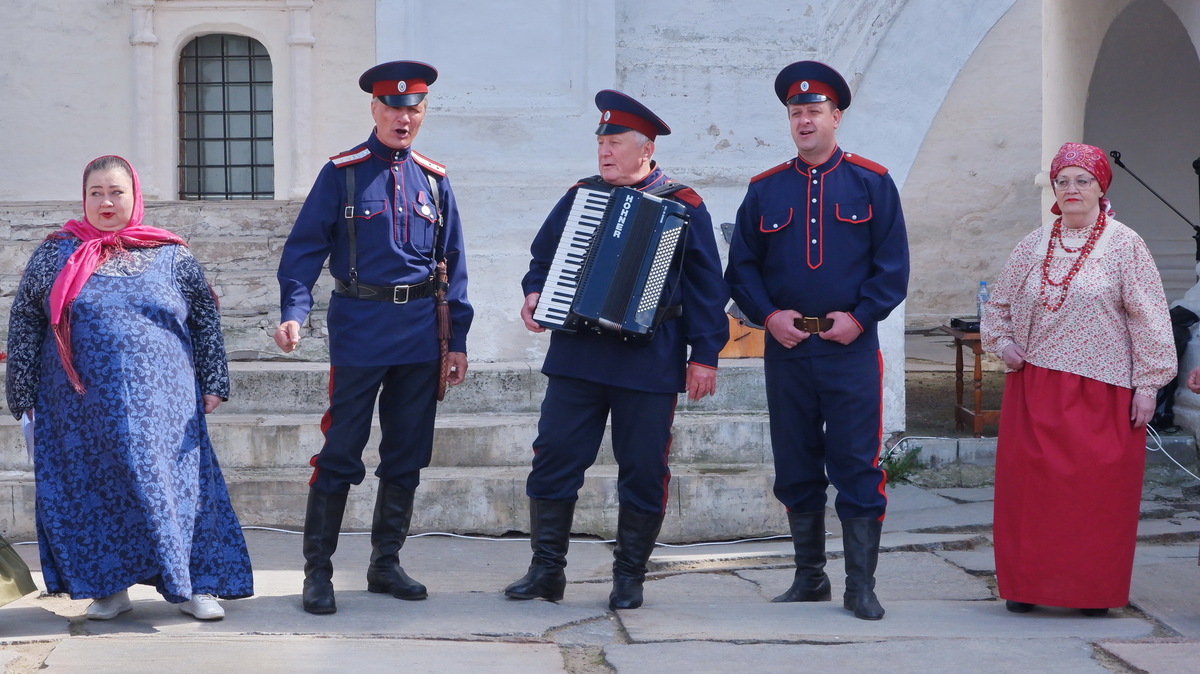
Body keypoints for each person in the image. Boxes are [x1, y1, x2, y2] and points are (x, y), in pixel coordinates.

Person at [505, 90, 728, 610]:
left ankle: (629, 577)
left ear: (645, 148)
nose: (604, 152)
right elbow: (542, 258)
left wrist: (705, 355)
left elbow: (706, 290)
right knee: (554, 457)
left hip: (650, 360)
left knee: (644, 469)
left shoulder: (685, 205)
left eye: (615, 143)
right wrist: (535, 293)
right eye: (601, 142)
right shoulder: (581, 194)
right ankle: (546, 571)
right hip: (578, 355)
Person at [5, 155, 253, 621]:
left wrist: (215, 380)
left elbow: (204, 321)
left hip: (164, 405)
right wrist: (20, 391)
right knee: (95, 491)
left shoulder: (171, 254)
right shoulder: (54, 254)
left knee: (177, 491)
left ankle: (194, 586)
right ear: (83, 198)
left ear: (134, 196)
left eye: (116, 192)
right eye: (96, 192)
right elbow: (25, 321)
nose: (105, 201)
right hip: (78, 407)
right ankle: (110, 589)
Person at [275, 60, 472, 615]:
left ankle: (385, 564)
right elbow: (304, 248)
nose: (401, 117)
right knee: (341, 451)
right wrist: (295, 309)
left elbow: (452, 264)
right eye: (391, 106)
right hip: (360, 329)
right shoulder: (343, 172)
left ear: (423, 112)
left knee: (407, 453)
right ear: (374, 110)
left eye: (412, 108)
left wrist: (455, 339)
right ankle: (318, 573)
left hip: (419, 334)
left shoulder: (435, 179)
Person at [724, 61, 909, 621]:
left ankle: (861, 586)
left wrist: (861, 316)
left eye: (814, 111)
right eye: (795, 112)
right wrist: (767, 315)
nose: (804, 120)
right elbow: (742, 268)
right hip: (787, 350)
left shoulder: (872, 183)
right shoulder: (765, 190)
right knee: (795, 462)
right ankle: (810, 578)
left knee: (856, 463)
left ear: (837, 116)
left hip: (850, 350)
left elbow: (892, 267)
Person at [982, 142, 1174, 616]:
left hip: (1102, 390)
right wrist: (1003, 344)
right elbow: (999, 305)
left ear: (1101, 186)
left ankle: (1091, 591)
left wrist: (1147, 386)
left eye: (1082, 180)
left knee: (1094, 496)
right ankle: (1026, 586)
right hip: (1034, 387)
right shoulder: (1034, 244)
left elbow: (1150, 319)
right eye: (1062, 180)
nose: (1071, 189)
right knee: (1031, 494)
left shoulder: (1125, 245)